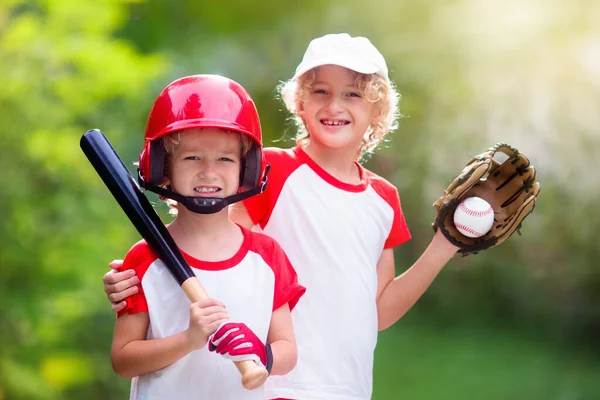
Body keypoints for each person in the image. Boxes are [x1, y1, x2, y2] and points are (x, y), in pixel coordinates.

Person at [104, 34, 459, 400]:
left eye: (352, 94)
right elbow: (212, 252)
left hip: (348, 386)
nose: (334, 105)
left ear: (377, 110)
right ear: (300, 102)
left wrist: (444, 246)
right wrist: (145, 271)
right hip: (272, 382)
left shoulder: (383, 198)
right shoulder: (273, 168)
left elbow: (379, 312)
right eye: (320, 91)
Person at [109, 74, 305, 400]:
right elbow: (123, 360)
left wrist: (262, 353)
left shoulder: (266, 256)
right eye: (192, 157)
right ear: (163, 168)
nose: (209, 171)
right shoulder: (144, 259)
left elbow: (288, 350)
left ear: (247, 169)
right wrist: (189, 339)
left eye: (225, 158)